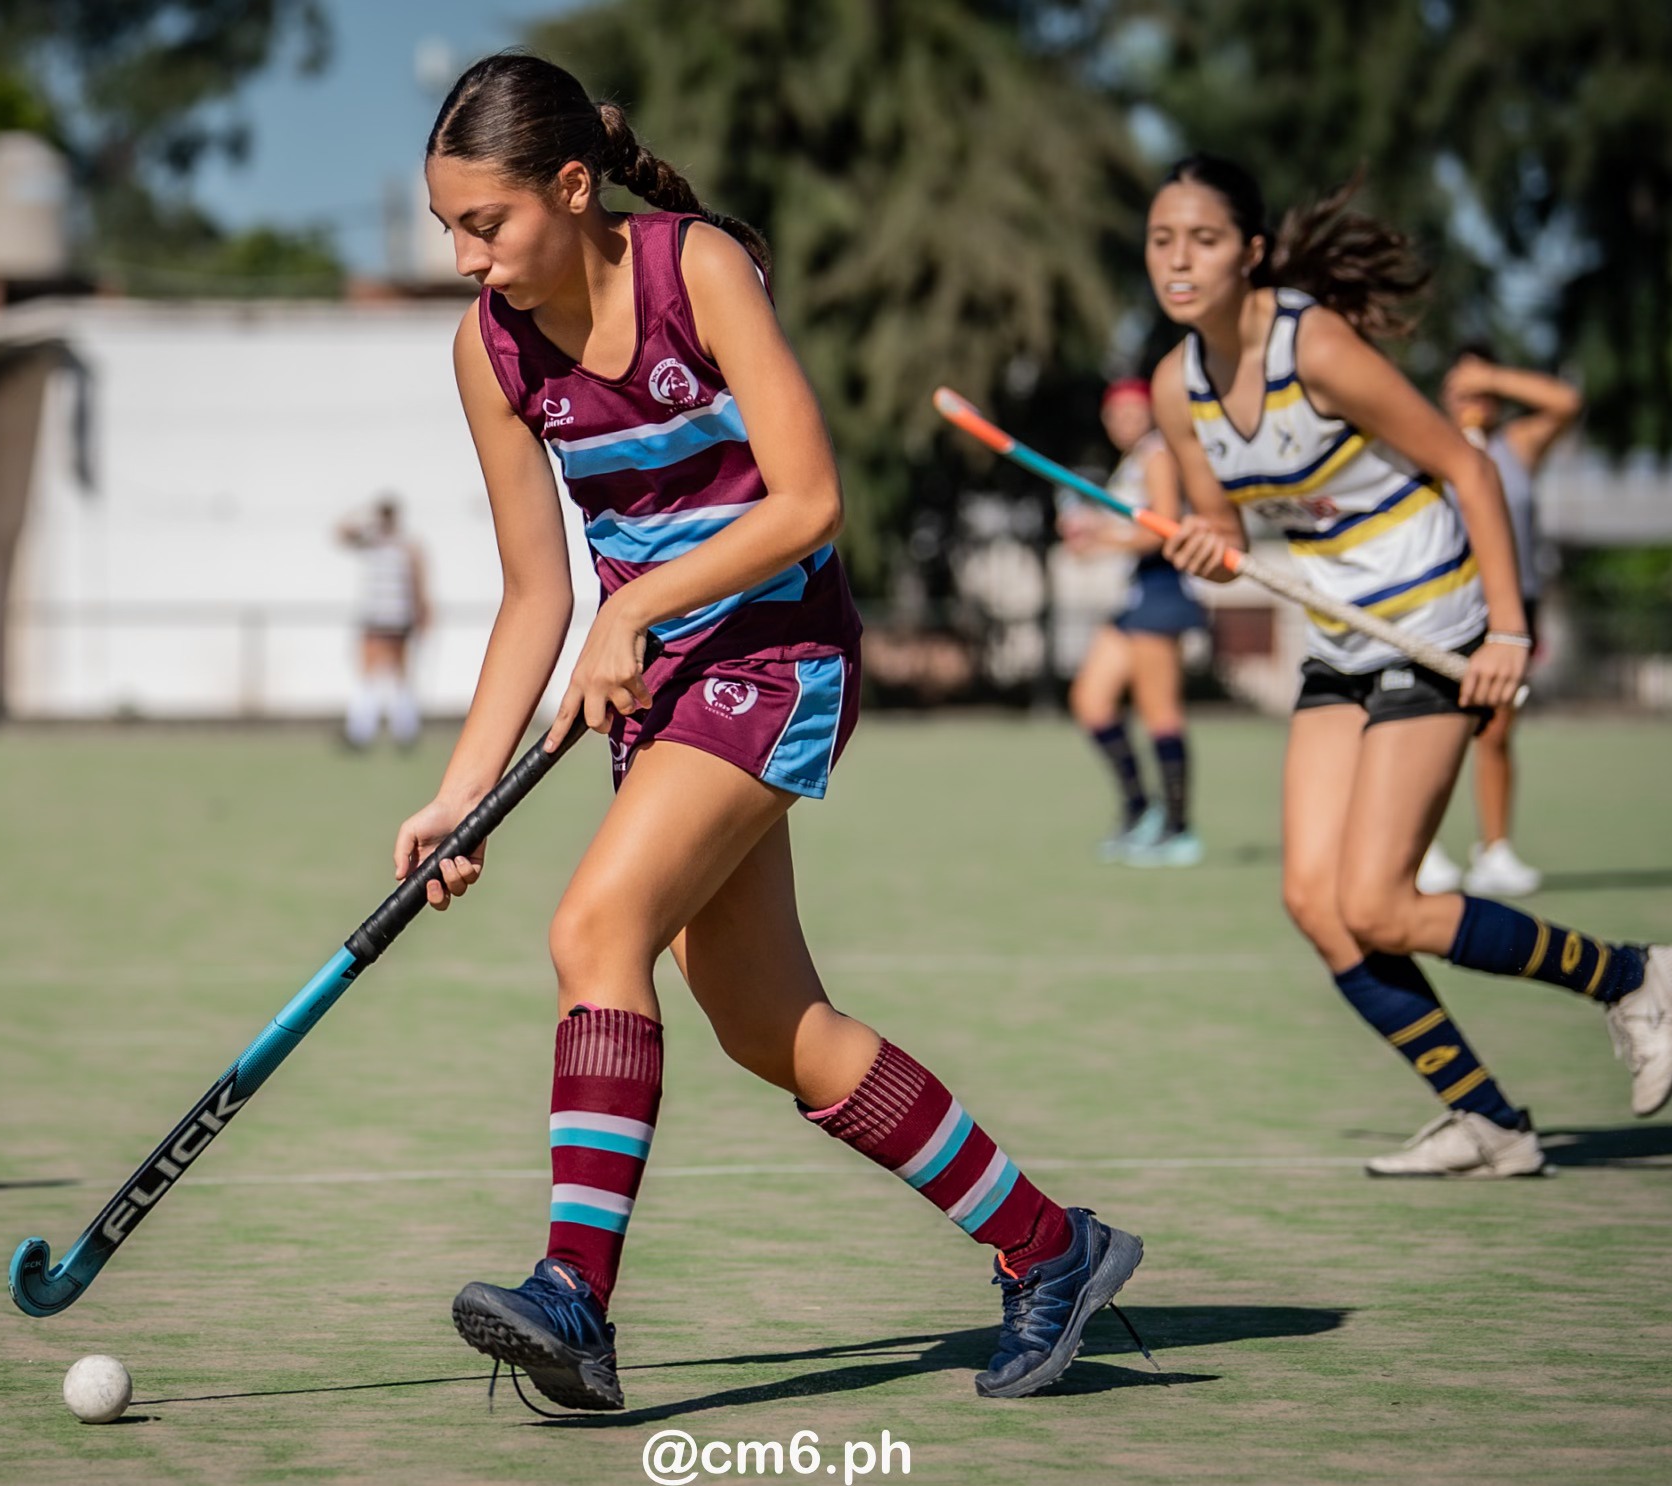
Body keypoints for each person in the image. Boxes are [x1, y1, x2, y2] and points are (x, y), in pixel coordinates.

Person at [401, 52, 1142, 1410]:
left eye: (485, 223)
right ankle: (1052, 1246)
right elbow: (534, 593)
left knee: (594, 932)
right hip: (663, 684)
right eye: (448, 226)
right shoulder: (490, 349)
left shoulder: (699, 274)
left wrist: (649, 608)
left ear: (573, 189)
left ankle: (576, 1296)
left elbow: (807, 500)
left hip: (777, 650)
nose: (463, 257)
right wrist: (461, 790)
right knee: (766, 1020)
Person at [1146, 154, 1672, 1178]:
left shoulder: (1312, 345)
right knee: (1314, 901)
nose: (1176, 259)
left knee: (1381, 904)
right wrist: (1199, 543)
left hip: (1431, 616)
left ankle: (1628, 976)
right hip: (1339, 634)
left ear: (1250, 253)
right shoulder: (1179, 387)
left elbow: (1468, 466)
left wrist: (1506, 632)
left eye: (1202, 239)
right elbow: (1224, 530)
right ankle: (1486, 1118)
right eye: (1160, 239)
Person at [1416, 348, 1583, 898]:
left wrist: (1493, 375)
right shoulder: (1428, 443)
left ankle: (1495, 850)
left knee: (1496, 731)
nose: (1476, 397)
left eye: (1484, 389)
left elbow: (1566, 402)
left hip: (1512, 608)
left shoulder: (1517, 448)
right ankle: (1421, 848)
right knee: (1430, 727)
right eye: (1463, 386)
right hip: (1443, 604)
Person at [1059, 378, 1207, 865]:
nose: (1126, 420)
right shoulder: (1131, 462)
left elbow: (1163, 531)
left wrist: (1102, 541)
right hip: (1135, 595)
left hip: (1161, 593)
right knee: (1091, 700)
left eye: (1134, 411)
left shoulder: (1157, 455)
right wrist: (1092, 532)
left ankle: (1178, 829)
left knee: (1159, 712)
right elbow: (1129, 527)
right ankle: (1141, 809)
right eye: (1116, 413)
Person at [338, 495, 430, 748]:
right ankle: (394, 732)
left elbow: (419, 583)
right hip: (382, 617)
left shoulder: (402, 547)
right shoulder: (380, 542)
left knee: (386, 675)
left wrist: (422, 614)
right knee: (381, 675)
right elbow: (340, 532)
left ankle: (374, 731)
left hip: (391, 618)